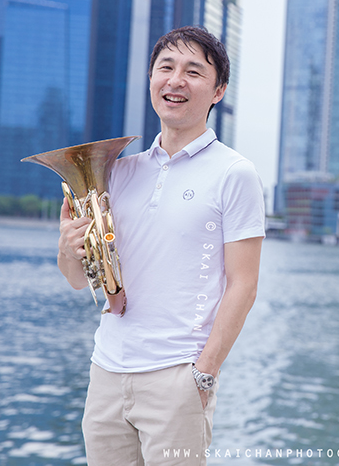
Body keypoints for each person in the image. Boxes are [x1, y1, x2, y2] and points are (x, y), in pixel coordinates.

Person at [57, 26, 265, 465]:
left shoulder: (235, 173)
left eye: (194, 71)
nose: (175, 81)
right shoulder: (116, 170)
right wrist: (68, 246)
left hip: (178, 375)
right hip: (107, 371)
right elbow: (79, 280)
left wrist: (204, 373)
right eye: (165, 67)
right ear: (150, 79)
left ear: (218, 90)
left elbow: (243, 285)